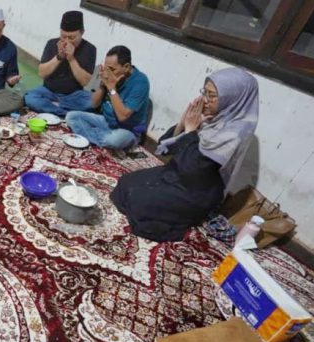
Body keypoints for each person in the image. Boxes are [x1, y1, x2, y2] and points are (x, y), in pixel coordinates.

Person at [111, 67, 259, 242]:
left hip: (198, 191)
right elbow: (166, 145)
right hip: (178, 176)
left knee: (140, 203)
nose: (205, 100)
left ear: (232, 99)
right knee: (126, 183)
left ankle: (180, 228)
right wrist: (183, 123)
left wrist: (191, 132)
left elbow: (193, 167)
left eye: (212, 96)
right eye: (205, 92)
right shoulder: (211, 118)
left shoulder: (235, 133)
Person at [66, 46, 149, 150]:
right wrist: (102, 85)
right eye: (106, 68)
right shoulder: (108, 76)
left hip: (128, 129)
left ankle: (92, 136)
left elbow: (122, 116)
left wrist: (111, 88)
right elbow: (94, 104)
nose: (107, 72)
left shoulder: (140, 82)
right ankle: (98, 137)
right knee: (72, 116)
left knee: (113, 141)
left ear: (126, 67)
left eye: (112, 69)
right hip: (107, 121)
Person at [24, 11, 96, 116]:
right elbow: (42, 73)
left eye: (72, 37)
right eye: (63, 36)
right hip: (48, 92)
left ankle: (53, 107)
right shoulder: (52, 43)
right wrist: (59, 57)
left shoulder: (89, 49)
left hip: (74, 95)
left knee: (93, 102)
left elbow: (84, 81)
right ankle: (64, 111)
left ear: (82, 33)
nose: (67, 41)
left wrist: (71, 59)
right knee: (30, 97)